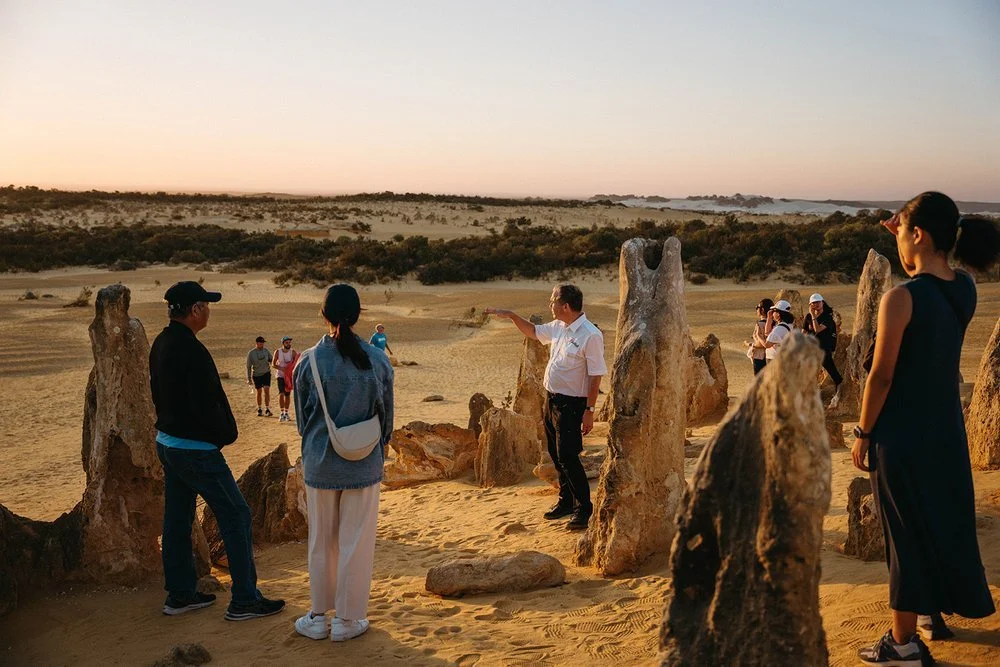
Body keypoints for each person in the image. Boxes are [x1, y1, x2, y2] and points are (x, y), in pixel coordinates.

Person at [851, 192, 999, 666]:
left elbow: (882, 375)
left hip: (900, 435)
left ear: (918, 234)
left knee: (904, 533)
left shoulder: (900, 299)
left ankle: (903, 644)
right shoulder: (967, 289)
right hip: (944, 431)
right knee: (936, 520)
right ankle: (932, 615)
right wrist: (906, 233)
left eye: (905, 230)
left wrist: (862, 431)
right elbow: (935, 277)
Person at [149, 280, 285, 621]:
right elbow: (208, 403)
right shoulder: (191, 350)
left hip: (168, 443)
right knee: (236, 514)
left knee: (177, 518)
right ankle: (244, 599)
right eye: (206, 305)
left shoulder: (162, 343)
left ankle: (179, 595)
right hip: (195, 449)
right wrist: (223, 436)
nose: (209, 311)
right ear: (195, 310)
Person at [292, 284, 394, 643]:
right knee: (356, 541)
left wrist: (318, 444)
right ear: (358, 315)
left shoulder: (308, 360)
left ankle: (318, 616)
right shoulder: (377, 360)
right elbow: (387, 419)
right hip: (364, 463)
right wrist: (376, 450)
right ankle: (348, 620)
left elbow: (302, 421)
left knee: (321, 540)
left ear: (324, 315)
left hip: (320, 462)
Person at [486, 284, 607, 531]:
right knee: (554, 453)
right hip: (551, 400)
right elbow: (532, 331)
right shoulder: (559, 327)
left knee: (568, 457)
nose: (549, 304)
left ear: (565, 306)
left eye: (552, 301)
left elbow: (596, 376)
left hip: (573, 404)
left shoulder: (590, 335)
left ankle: (583, 509)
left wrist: (590, 411)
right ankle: (565, 500)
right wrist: (511, 315)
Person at [802, 293, 843, 390]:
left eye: (818, 302)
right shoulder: (808, 317)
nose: (816, 304)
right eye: (813, 303)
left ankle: (840, 389)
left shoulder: (827, 317)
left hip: (823, 348)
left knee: (832, 370)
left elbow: (817, 329)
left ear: (823, 303)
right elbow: (803, 332)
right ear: (810, 305)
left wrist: (813, 315)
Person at [272, 336, 299, 422]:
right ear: (283, 343)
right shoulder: (277, 352)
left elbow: (297, 363)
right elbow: (273, 364)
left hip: (289, 377)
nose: (289, 344)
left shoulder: (293, 352)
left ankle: (286, 413)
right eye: (287, 342)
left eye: (289, 342)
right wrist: (281, 368)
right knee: (281, 393)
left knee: (287, 394)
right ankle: (281, 413)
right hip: (280, 375)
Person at [745, 298, 773, 375]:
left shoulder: (760, 324)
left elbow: (762, 344)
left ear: (762, 310)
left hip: (760, 357)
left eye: (757, 307)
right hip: (771, 356)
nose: (756, 310)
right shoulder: (775, 323)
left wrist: (749, 344)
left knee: (759, 383)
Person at [247, 336, 272, 416]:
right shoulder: (251, 353)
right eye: (261, 342)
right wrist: (249, 378)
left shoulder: (266, 351)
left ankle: (267, 409)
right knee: (259, 391)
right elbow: (248, 366)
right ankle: (259, 408)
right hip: (256, 374)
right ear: (257, 343)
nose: (262, 344)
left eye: (263, 342)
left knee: (266, 390)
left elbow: (272, 360)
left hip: (266, 373)